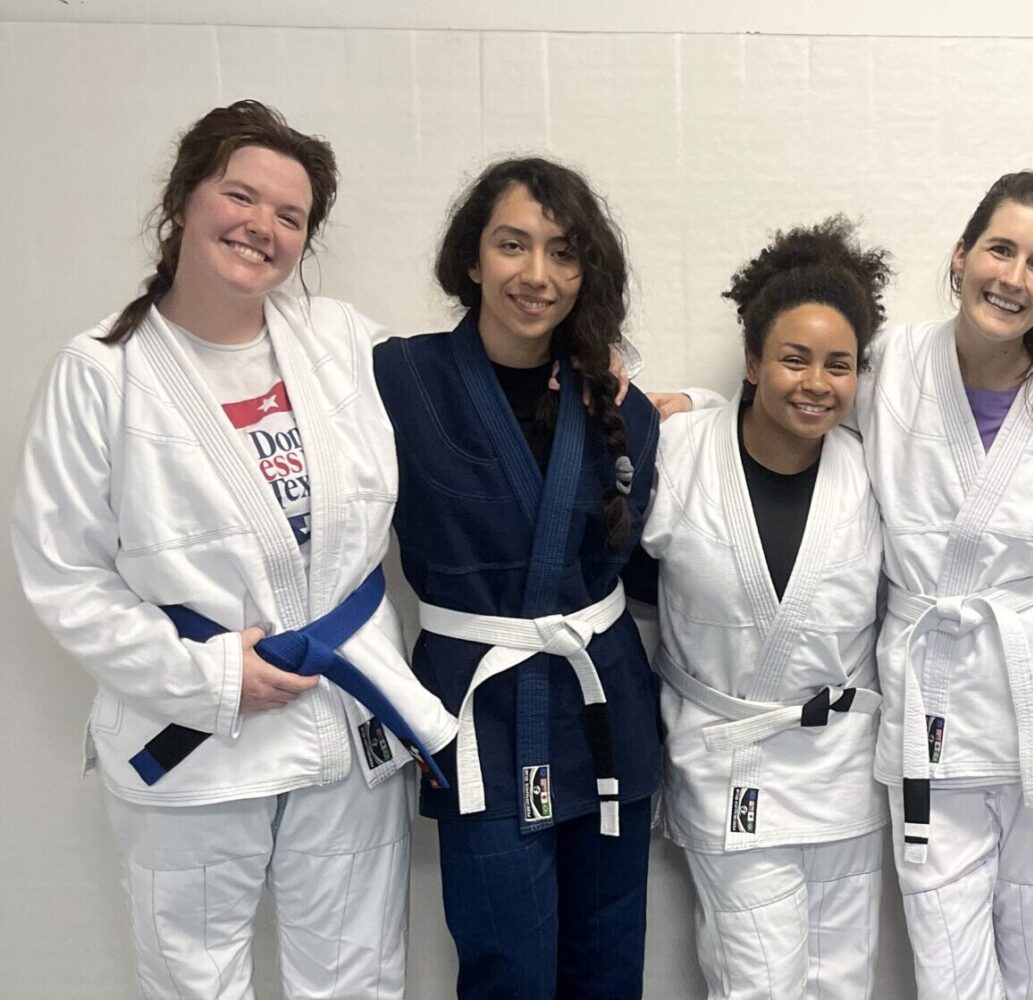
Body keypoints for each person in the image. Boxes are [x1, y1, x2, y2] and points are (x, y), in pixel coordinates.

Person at [12, 100, 457, 1000]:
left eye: (290, 216)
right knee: (194, 984)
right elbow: (63, 577)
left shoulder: (337, 341)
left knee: (357, 979)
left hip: (340, 720)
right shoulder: (103, 372)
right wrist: (212, 677)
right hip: (196, 736)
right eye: (240, 195)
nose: (263, 226)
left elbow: (473, 377)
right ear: (183, 199)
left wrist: (639, 388)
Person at [659, 170, 1033, 998]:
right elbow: (797, 400)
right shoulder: (896, 363)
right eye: (1000, 249)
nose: (1014, 277)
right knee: (948, 969)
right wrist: (689, 412)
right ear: (960, 256)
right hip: (933, 705)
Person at [373, 157, 661, 1000]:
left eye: (564, 252)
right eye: (513, 245)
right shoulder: (401, 380)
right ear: (472, 258)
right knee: (507, 965)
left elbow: (643, 555)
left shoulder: (618, 407)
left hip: (604, 704)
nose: (537, 275)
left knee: (610, 961)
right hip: (477, 712)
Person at [642, 217, 892, 999]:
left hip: (843, 766)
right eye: (794, 358)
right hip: (730, 760)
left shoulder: (873, 469)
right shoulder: (678, 449)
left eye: (838, 365)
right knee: (760, 984)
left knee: (844, 982)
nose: (816, 382)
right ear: (754, 361)